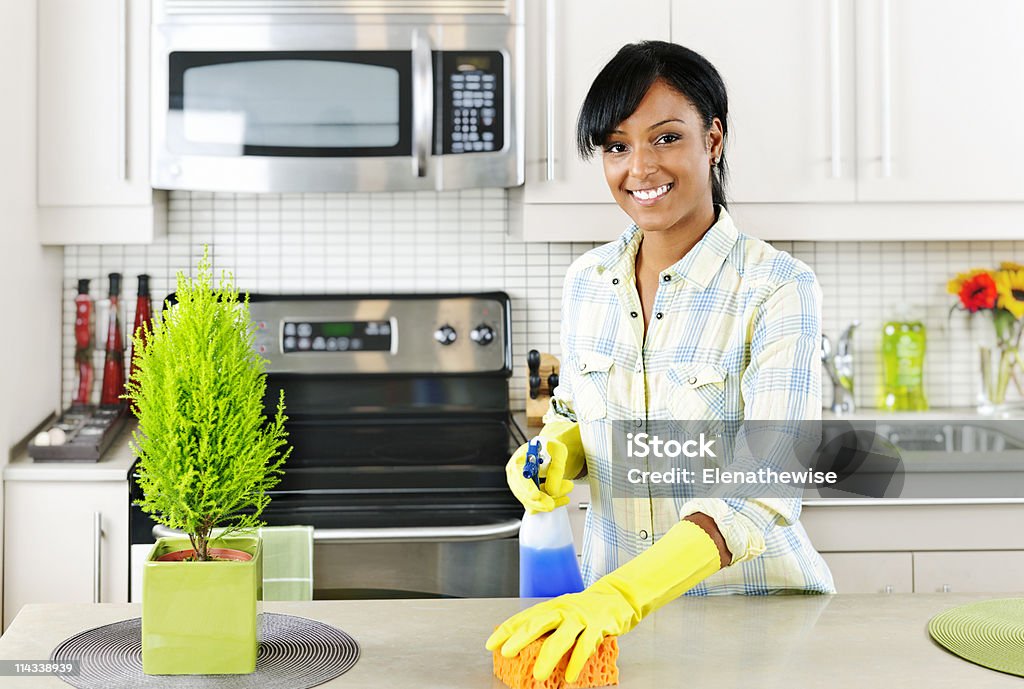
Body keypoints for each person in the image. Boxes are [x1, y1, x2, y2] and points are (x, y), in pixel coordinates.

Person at [486, 41, 835, 683]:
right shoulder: (586, 280)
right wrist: (558, 453)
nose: (639, 167)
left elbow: (763, 483)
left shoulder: (778, 287)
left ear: (714, 139)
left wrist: (625, 594)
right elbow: (572, 410)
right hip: (607, 629)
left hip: (754, 621)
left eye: (666, 137)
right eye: (616, 146)